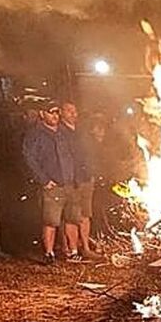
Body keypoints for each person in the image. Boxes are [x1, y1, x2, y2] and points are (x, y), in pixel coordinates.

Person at [22, 102, 80, 264]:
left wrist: (76, 176)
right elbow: (29, 158)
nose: (55, 116)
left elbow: (74, 154)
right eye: (50, 112)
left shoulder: (63, 132)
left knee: (72, 219)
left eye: (56, 112)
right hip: (52, 186)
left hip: (69, 183)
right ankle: (49, 253)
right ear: (42, 114)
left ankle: (73, 251)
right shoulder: (35, 134)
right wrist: (44, 179)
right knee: (50, 221)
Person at [60, 100, 98, 259]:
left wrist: (92, 173)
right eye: (69, 111)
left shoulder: (80, 131)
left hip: (86, 178)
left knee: (85, 215)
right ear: (61, 112)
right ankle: (73, 249)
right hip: (71, 180)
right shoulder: (60, 132)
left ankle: (86, 248)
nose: (74, 114)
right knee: (72, 216)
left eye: (75, 111)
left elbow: (89, 153)